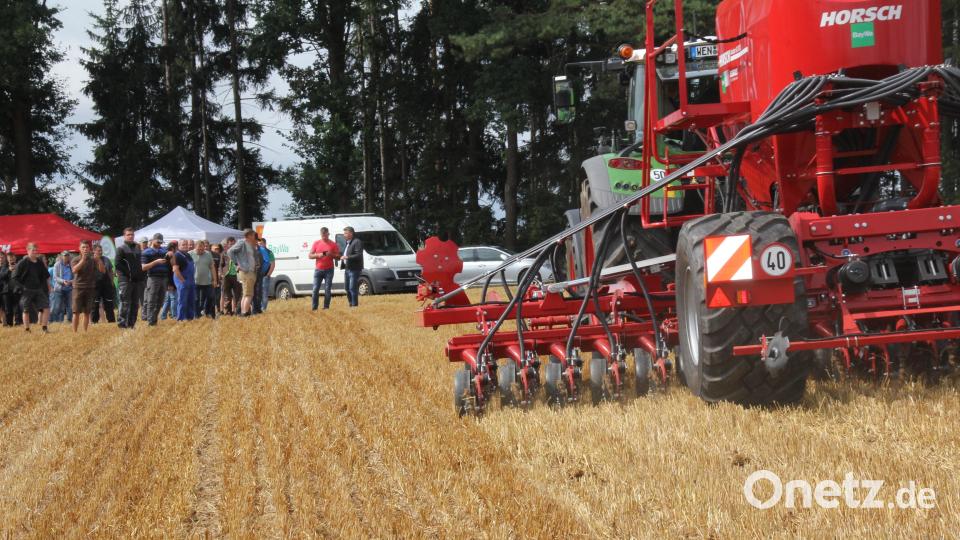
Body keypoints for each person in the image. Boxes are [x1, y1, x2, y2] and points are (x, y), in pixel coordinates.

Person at [12, 242, 51, 332]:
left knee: (46, 307)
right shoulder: (23, 262)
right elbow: (14, 277)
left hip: (38, 289)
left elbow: (46, 276)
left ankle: (44, 328)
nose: (35, 252)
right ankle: (27, 329)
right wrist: (22, 288)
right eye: (33, 250)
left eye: (36, 250)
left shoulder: (39, 262)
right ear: (28, 251)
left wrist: (49, 286)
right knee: (26, 310)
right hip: (26, 290)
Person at [115, 227, 145, 329]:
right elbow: (118, 265)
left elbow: (139, 264)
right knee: (125, 302)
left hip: (137, 280)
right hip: (125, 280)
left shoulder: (137, 248)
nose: (130, 236)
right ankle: (122, 324)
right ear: (124, 236)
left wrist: (140, 276)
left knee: (135, 304)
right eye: (128, 235)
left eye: (132, 234)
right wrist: (128, 275)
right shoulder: (121, 249)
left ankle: (131, 324)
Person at [70, 240, 101, 333]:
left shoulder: (93, 260)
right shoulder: (75, 259)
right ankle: (75, 333)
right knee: (76, 312)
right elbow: (74, 270)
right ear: (79, 249)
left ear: (90, 248)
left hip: (90, 288)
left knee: (87, 312)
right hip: (78, 288)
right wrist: (83, 260)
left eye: (87, 247)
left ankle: (85, 332)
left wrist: (98, 260)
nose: (85, 249)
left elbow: (102, 270)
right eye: (83, 247)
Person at [141, 233, 172, 325]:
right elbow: (143, 267)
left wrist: (171, 254)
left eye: (161, 242)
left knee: (160, 300)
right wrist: (156, 262)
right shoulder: (146, 252)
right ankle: (151, 321)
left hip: (164, 278)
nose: (159, 244)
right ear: (152, 240)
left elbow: (171, 260)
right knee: (151, 300)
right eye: (158, 242)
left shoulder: (164, 250)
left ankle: (154, 319)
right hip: (153, 278)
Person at [227, 229, 259, 317]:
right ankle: (245, 313)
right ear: (249, 235)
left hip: (250, 271)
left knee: (246, 294)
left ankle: (243, 312)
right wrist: (237, 264)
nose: (254, 237)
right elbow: (230, 252)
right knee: (249, 294)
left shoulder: (250, 245)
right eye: (253, 235)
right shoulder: (242, 243)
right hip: (246, 271)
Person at [309, 227, 339, 310]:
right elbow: (310, 255)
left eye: (325, 235)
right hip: (318, 269)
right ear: (320, 234)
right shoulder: (316, 243)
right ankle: (314, 308)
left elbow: (338, 256)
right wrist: (318, 255)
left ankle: (326, 307)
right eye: (322, 235)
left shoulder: (333, 244)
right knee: (315, 289)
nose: (324, 237)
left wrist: (331, 254)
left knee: (327, 289)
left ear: (328, 234)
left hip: (329, 270)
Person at [90, 244, 116, 324]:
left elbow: (110, 271)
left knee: (109, 303)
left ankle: (111, 321)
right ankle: (94, 322)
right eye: (98, 250)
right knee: (95, 304)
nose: (100, 252)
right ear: (93, 251)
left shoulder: (106, 259)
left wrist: (111, 282)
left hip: (106, 284)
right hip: (95, 286)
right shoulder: (90, 260)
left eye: (101, 250)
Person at [191, 240, 217, 318]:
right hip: (195, 281)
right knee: (196, 299)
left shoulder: (208, 254)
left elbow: (212, 267)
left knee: (210, 297)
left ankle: (206, 311)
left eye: (202, 249)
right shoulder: (190, 254)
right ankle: (196, 315)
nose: (201, 251)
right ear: (195, 247)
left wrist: (215, 279)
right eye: (199, 249)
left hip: (207, 281)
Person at [171, 239, 196, 321]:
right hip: (182, 280)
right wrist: (182, 280)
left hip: (190, 280)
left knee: (190, 300)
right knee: (182, 300)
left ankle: (190, 317)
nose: (185, 246)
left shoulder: (188, 255)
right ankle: (181, 318)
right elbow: (175, 269)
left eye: (186, 244)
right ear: (179, 246)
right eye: (183, 245)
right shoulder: (177, 255)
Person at [340, 226, 364, 307]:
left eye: (346, 233)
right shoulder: (347, 243)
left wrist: (347, 257)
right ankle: (350, 304)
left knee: (352, 288)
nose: (344, 235)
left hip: (354, 269)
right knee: (347, 288)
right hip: (347, 269)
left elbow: (359, 255)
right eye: (344, 233)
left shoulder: (357, 242)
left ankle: (354, 305)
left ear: (351, 233)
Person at [219, 237, 242, 315]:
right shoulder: (224, 253)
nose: (232, 245)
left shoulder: (239, 253)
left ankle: (238, 311)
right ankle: (228, 312)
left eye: (233, 243)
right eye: (230, 244)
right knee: (227, 296)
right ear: (227, 244)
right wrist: (221, 274)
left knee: (238, 295)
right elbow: (220, 265)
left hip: (237, 275)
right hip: (226, 276)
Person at [51, 251, 74, 323]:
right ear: (61, 256)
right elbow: (55, 277)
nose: (66, 257)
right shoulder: (57, 265)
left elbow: (75, 276)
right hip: (59, 289)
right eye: (64, 256)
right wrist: (63, 281)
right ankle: (56, 321)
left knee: (69, 306)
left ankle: (69, 321)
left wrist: (71, 281)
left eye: (67, 256)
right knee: (58, 306)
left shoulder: (71, 265)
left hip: (69, 288)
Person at [257, 237, 276, 311]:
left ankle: (263, 308)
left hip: (265, 275)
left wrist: (268, 274)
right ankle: (259, 307)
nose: (259, 245)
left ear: (265, 244)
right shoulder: (257, 251)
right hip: (258, 275)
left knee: (264, 293)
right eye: (258, 244)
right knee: (258, 292)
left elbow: (272, 264)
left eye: (261, 243)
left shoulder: (269, 252)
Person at [210, 242, 223, 314]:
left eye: (218, 249)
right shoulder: (209, 256)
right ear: (211, 249)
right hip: (210, 280)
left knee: (218, 296)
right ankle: (212, 311)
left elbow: (220, 267)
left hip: (218, 280)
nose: (216, 250)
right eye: (215, 249)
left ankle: (218, 310)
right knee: (212, 296)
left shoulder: (219, 256)